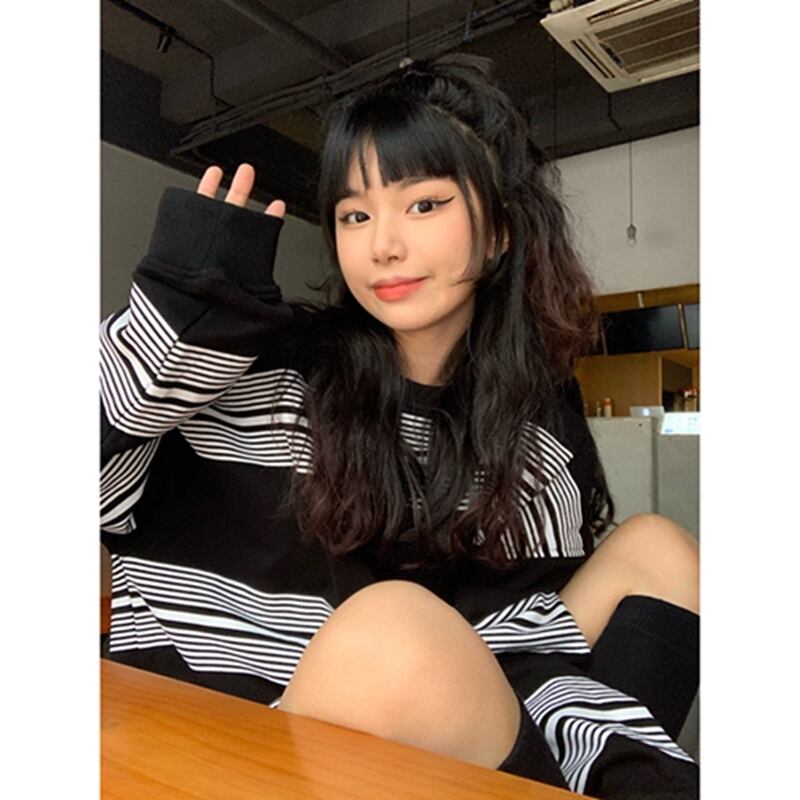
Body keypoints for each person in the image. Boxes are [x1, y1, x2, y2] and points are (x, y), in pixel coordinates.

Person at [100, 53, 699, 797]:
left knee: (661, 550)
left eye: (423, 205)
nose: (382, 245)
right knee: (391, 633)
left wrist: (612, 760)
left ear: (500, 231)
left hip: (433, 702)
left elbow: (526, 640)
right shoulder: (257, 360)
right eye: (355, 215)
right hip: (229, 736)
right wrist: (173, 323)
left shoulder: (533, 419)